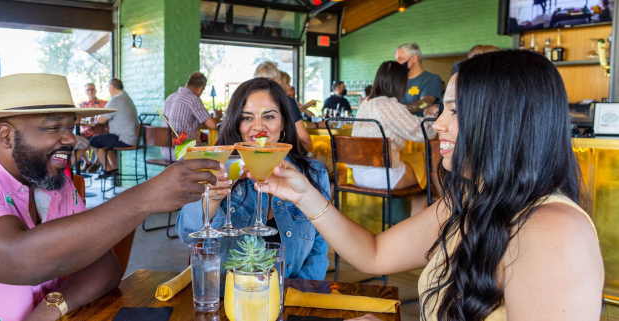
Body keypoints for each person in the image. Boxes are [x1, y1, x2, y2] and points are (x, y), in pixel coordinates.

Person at [252, 50, 604, 321]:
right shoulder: (470, 199)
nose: (438, 124)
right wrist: (303, 194)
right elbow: (374, 253)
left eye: (454, 111)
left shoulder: (553, 232)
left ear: (502, 121)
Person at [0, 73, 218, 320]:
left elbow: (104, 264)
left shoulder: (57, 184)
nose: (71, 139)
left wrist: (52, 308)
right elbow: (19, 260)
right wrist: (145, 198)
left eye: (71, 126)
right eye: (53, 128)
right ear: (6, 136)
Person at [177, 77, 330, 281]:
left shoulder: (313, 173)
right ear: (236, 124)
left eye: (269, 116)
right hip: (229, 297)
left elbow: (319, 250)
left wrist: (296, 295)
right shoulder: (218, 169)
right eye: (247, 118)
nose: (258, 127)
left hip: (291, 298)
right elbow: (186, 234)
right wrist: (210, 201)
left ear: (283, 121)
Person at [350, 61, 437, 190]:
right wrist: (429, 115)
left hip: (357, 174)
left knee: (415, 163)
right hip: (383, 176)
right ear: (400, 84)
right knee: (426, 172)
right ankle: (444, 205)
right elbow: (424, 133)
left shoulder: (366, 103)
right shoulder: (389, 104)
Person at [254, 62, 314, 152]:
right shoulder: (287, 101)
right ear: (274, 80)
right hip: (284, 155)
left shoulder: (250, 102)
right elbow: (304, 138)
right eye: (280, 79)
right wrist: (310, 154)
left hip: (255, 153)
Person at [161, 72, 219, 160]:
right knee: (217, 155)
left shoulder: (170, 98)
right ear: (200, 89)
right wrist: (218, 117)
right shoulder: (192, 99)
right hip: (184, 152)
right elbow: (213, 125)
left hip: (166, 152)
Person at [89, 78, 139, 179]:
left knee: (94, 140)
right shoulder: (126, 97)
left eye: (108, 88)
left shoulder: (116, 100)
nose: (108, 90)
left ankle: (107, 169)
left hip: (123, 139)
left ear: (112, 87)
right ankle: (114, 169)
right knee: (106, 140)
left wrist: (97, 116)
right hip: (131, 137)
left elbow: (101, 120)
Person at [395, 43, 443, 117]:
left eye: (400, 59)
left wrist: (398, 110)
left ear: (414, 58)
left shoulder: (431, 79)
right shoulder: (397, 80)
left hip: (418, 126)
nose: (397, 63)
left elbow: (425, 103)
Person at [77, 83, 108, 172]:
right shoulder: (82, 105)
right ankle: (87, 162)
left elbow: (104, 118)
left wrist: (91, 118)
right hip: (87, 130)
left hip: (100, 130)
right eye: (88, 90)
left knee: (96, 140)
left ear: (96, 90)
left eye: (92, 89)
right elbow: (79, 118)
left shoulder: (103, 103)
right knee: (77, 140)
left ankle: (97, 162)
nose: (90, 91)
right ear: (85, 92)